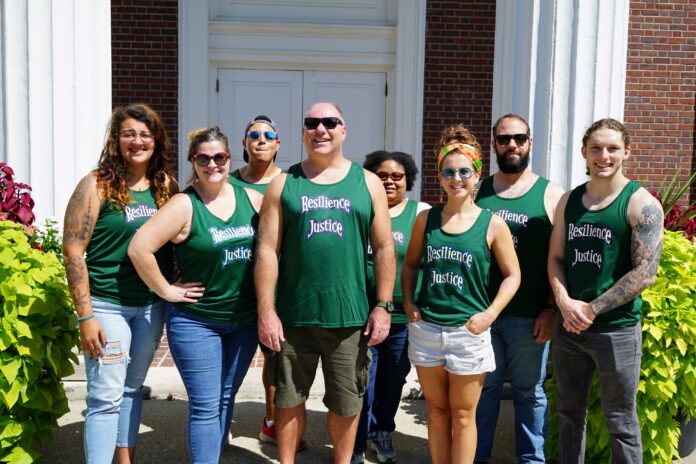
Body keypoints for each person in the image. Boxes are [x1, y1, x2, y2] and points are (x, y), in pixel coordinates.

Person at [255, 102, 396, 464]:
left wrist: (382, 306)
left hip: (349, 318)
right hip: (292, 317)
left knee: (347, 402)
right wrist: (267, 312)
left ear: (343, 130)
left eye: (330, 122)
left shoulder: (367, 183)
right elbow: (267, 249)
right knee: (287, 399)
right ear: (303, 132)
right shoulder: (284, 184)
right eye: (312, 122)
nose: (321, 129)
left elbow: (383, 247)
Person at [128, 126, 263, 463]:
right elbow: (139, 249)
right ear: (193, 160)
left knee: (226, 398)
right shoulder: (183, 204)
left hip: (244, 321)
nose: (212, 164)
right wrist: (167, 290)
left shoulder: (252, 199)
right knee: (205, 406)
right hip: (197, 323)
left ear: (230, 158)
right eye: (204, 158)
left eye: (219, 157)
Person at [62, 103, 176, 464]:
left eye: (145, 134)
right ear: (116, 140)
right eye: (128, 133)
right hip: (107, 307)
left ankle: (125, 459)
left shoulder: (165, 187)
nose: (137, 141)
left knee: (131, 389)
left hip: (148, 307)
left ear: (156, 140)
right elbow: (74, 251)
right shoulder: (96, 185)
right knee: (105, 396)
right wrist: (86, 317)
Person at [401, 128, 521, 464]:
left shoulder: (492, 224)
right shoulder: (426, 219)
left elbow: (513, 276)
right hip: (427, 330)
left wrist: (490, 314)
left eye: (464, 171)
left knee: (464, 416)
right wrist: (409, 301)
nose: (457, 178)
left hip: (469, 333)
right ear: (439, 176)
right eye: (449, 171)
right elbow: (410, 265)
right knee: (437, 413)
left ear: (477, 174)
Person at [547, 118, 663, 463]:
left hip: (617, 331)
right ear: (584, 151)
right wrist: (565, 301)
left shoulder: (641, 204)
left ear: (627, 151)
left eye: (612, 148)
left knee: (621, 421)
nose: (604, 155)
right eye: (596, 148)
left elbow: (645, 274)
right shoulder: (569, 201)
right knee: (568, 414)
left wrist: (590, 309)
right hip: (569, 329)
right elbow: (555, 258)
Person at [473, 115, 565, 463]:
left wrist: (550, 309)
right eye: (503, 139)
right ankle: (476, 457)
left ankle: (532, 460)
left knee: (529, 393)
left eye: (519, 138)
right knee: (484, 392)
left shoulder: (551, 195)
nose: (512, 145)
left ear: (530, 143)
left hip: (529, 318)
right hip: (480, 314)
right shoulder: (476, 190)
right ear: (493, 144)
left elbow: (561, 259)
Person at [226, 114, 306, 450]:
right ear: (244, 144)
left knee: (276, 358)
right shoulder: (226, 182)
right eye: (253, 134)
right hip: (234, 285)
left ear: (278, 144)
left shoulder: (290, 183)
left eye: (268, 134)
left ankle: (272, 423)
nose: (260, 139)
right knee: (227, 362)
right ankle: (219, 420)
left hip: (279, 285)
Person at [352, 151, 431, 464]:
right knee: (361, 383)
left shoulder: (419, 213)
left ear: (407, 180)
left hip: (402, 318)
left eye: (397, 176)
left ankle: (381, 430)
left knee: (392, 381)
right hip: (362, 315)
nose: (389, 181)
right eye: (382, 175)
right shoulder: (361, 211)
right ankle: (356, 444)